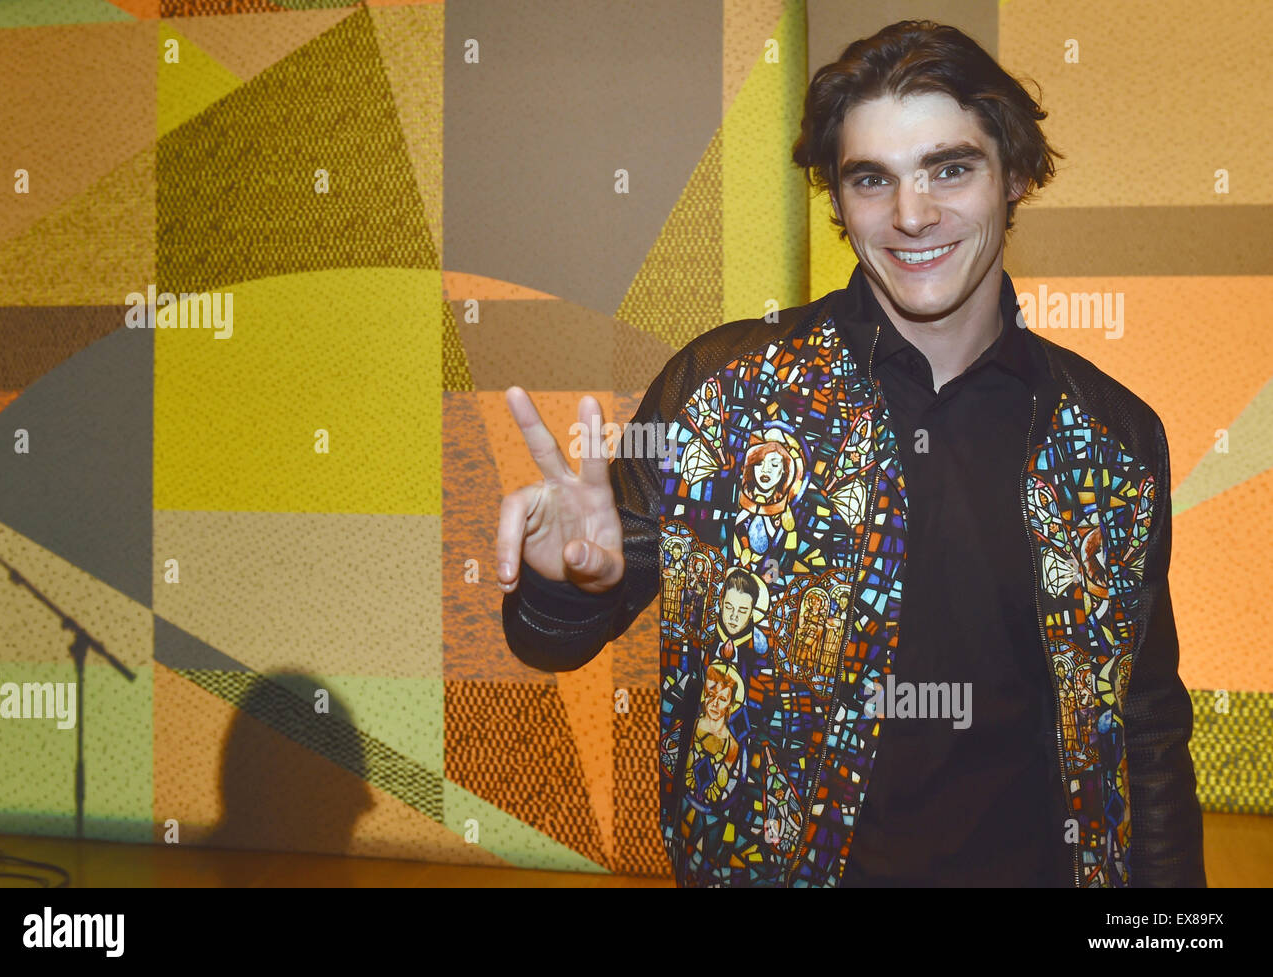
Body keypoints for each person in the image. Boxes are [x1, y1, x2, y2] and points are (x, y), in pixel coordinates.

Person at [496, 19, 1205, 888]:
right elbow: (550, 643)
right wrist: (560, 580)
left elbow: (1146, 727)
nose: (912, 214)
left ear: (1016, 173)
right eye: (874, 179)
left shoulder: (1114, 441)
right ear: (838, 201)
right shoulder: (723, 393)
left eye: (951, 168)